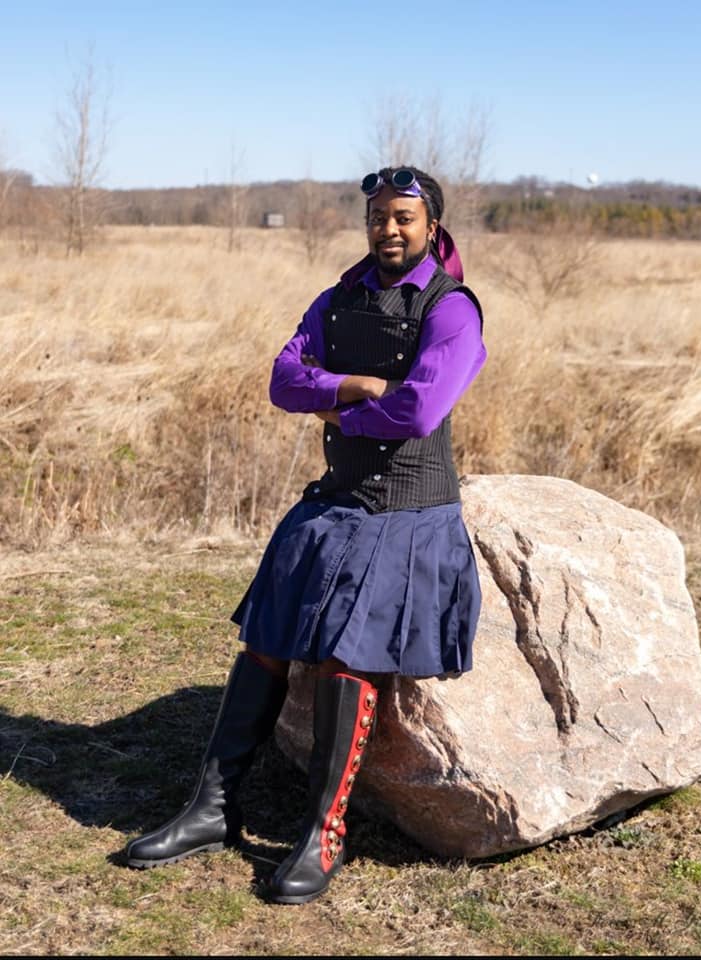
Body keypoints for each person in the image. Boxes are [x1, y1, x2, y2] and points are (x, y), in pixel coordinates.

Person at [124, 165, 487, 904]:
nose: (388, 229)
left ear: (432, 226)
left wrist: (339, 413)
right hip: (338, 502)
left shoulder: (453, 310)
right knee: (265, 635)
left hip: (410, 513)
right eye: (378, 217)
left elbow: (420, 411)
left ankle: (325, 833)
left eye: (404, 218)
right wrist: (355, 386)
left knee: (349, 652)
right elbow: (284, 380)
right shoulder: (337, 299)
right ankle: (212, 810)